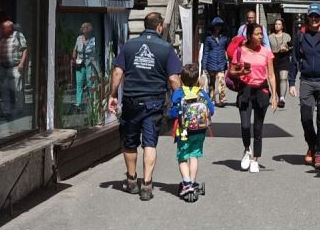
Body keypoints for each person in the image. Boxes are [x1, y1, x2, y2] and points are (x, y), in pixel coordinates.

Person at [108, 12, 183, 201]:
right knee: (150, 142)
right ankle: (147, 184)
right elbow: (174, 79)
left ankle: (132, 180)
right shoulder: (166, 49)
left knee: (130, 141)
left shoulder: (129, 46)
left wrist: (112, 95)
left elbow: (118, 72)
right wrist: (180, 99)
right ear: (159, 26)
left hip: (131, 101)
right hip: (154, 102)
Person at [289, 3, 320, 170]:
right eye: (311, 16)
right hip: (307, 81)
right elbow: (295, 59)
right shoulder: (301, 34)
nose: (314, 19)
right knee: (305, 118)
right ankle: (312, 144)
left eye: (316, 16)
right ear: (307, 16)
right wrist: (291, 82)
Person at [228, 22, 277, 172]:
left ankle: (256, 158)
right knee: (245, 125)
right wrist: (240, 73)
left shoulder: (266, 52)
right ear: (249, 36)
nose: (260, 37)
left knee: (258, 127)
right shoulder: (240, 51)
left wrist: (274, 95)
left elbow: (271, 75)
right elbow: (231, 71)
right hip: (245, 90)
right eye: (257, 34)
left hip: (261, 90)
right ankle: (247, 150)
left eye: (261, 34)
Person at [168, 64, 215, 201]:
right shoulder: (201, 93)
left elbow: (173, 112)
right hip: (200, 130)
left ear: (181, 79)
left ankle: (186, 182)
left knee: (183, 157)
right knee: (194, 155)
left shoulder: (178, 93)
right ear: (197, 80)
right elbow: (211, 110)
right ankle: (193, 183)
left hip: (183, 130)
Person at [0, 18, 28, 118]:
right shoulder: (1, 37)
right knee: (4, 89)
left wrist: (22, 63)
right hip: (3, 67)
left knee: (17, 89)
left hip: (14, 67)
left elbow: (25, 49)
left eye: (4, 28)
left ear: (10, 28)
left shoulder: (18, 35)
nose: (2, 29)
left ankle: (19, 110)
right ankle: (7, 111)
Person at [201, 16, 232, 104]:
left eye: (219, 26)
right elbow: (206, 52)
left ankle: (222, 99)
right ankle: (212, 99)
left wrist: (229, 61)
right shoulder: (208, 39)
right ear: (213, 27)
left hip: (221, 62)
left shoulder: (224, 38)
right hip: (211, 63)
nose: (218, 28)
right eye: (216, 26)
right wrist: (204, 65)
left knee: (222, 80)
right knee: (212, 82)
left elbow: (228, 50)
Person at [71, 20, 98, 112]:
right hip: (79, 63)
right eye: (83, 30)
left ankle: (91, 102)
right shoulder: (79, 38)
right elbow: (75, 49)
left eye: (86, 30)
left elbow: (94, 53)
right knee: (79, 83)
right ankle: (78, 102)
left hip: (89, 64)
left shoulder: (93, 40)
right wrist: (74, 59)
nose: (85, 31)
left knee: (90, 84)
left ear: (89, 31)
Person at [267, 16, 293, 108]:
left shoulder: (287, 36)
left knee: (283, 78)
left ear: (282, 26)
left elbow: (291, 47)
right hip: (274, 58)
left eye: (279, 24)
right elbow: (267, 49)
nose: (277, 26)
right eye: (276, 24)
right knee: (277, 80)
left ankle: (282, 98)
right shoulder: (270, 37)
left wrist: (286, 49)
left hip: (284, 58)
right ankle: (278, 95)